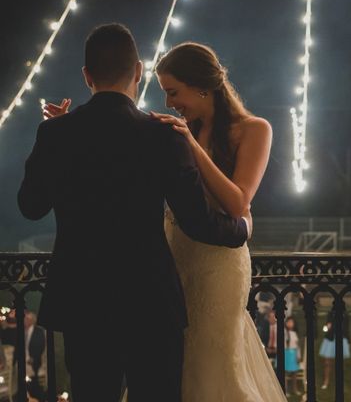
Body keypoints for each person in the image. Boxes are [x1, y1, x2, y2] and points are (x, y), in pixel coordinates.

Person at [21, 24, 250, 402]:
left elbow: (30, 207)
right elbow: (196, 221)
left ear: (86, 76)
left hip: (84, 300)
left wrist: (50, 137)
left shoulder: (57, 134)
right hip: (151, 300)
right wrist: (239, 229)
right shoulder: (164, 135)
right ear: (139, 71)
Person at [150, 42, 285, 400]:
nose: (169, 103)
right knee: (174, 362)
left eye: (173, 92)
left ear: (202, 86)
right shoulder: (179, 130)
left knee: (214, 359)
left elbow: (239, 201)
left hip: (220, 264)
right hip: (175, 257)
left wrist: (192, 147)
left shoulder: (255, 129)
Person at [319, 308, 351, 390]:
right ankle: (326, 381)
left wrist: (348, 340)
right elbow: (326, 325)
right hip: (330, 339)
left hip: (341, 339)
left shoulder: (345, 314)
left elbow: (347, 328)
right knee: (327, 362)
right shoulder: (330, 313)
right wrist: (327, 326)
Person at [284, 316, 303, 395]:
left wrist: (298, 356)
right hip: (286, 353)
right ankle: (286, 389)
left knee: (294, 372)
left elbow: (297, 346)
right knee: (285, 372)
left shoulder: (295, 334)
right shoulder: (284, 332)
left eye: (291, 322)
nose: (289, 324)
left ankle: (295, 389)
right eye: (288, 322)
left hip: (293, 354)